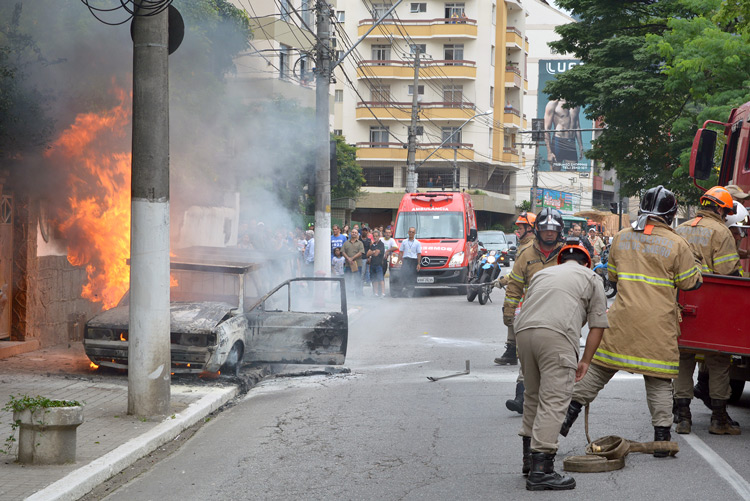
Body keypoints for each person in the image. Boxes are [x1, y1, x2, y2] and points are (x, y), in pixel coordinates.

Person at [559, 186, 703, 454]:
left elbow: (611, 276)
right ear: (670, 215)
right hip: (658, 326)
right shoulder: (678, 244)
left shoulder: (622, 238)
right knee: (659, 380)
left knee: (599, 369)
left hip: (621, 321)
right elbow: (689, 282)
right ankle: (661, 441)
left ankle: (565, 417)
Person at [515, 241, 608, 490]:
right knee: (555, 400)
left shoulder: (542, 274)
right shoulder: (591, 277)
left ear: (561, 261)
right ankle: (541, 470)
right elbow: (597, 325)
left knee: (533, 396)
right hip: (556, 336)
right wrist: (585, 360)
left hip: (523, 333)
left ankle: (528, 459)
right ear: (586, 262)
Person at [674, 186, 741, 435]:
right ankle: (718, 419)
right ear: (721, 209)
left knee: (683, 358)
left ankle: (682, 418)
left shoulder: (680, 228)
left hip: (681, 303)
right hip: (711, 306)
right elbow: (728, 274)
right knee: (718, 360)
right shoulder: (721, 232)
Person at [502, 208, 566, 414]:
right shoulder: (526, 254)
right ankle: (521, 397)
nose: (549, 233)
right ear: (537, 230)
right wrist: (509, 310)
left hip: (560, 315)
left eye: (553, 229)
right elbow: (514, 285)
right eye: (545, 229)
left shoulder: (568, 253)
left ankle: (553, 400)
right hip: (531, 313)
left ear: (560, 231)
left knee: (556, 359)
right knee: (527, 357)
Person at [495, 211, 537, 366]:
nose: (517, 231)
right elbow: (517, 273)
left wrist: (504, 281)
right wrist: (504, 280)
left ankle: (520, 354)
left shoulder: (530, 247)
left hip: (528, 295)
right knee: (512, 318)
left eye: (521, 227)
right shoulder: (524, 245)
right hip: (521, 293)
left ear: (530, 228)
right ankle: (511, 351)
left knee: (520, 322)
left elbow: (521, 274)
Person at [543, 99, 583, 171]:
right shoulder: (553, 104)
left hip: (571, 142)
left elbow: (577, 126)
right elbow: (546, 129)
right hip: (558, 141)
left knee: (573, 175)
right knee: (555, 174)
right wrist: (549, 152)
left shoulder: (576, 104)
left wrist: (580, 145)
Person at [398, 227, 422, 297]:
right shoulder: (404, 242)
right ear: (408, 232)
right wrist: (398, 261)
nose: (411, 233)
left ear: (415, 233)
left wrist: (418, 264)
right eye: (410, 232)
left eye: (412, 232)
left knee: (412, 277)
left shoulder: (417, 243)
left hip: (413, 261)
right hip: (406, 260)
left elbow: (419, 254)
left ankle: (410, 292)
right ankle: (403, 291)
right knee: (403, 275)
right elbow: (401, 252)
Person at [342, 228, 365, 298]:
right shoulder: (346, 243)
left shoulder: (360, 243)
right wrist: (348, 258)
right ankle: (349, 295)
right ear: (350, 233)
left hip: (357, 264)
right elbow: (343, 251)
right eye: (352, 232)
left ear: (357, 234)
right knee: (348, 280)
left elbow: (361, 252)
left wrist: (352, 258)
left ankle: (358, 296)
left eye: (355, 232)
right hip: (348, 264)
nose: (354, 233)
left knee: (357, 280)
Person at [368, 229, 386, 297]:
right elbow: (368, 253)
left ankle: (383, 293)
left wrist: (372, 252)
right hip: (372, 264)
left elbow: (376, 253)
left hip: (379, 264)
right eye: (374, 236)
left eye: (376, 236)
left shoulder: (381, 244)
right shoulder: (373, 245)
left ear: (379, 236)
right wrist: (373, 252)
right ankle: (376, 293)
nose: (375, 237)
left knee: (380, 279)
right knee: (374, 280)